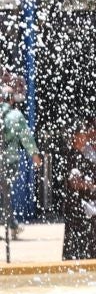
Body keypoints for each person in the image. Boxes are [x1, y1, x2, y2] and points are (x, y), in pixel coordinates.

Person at [60, 115, 96, 260]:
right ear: (75, 137)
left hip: (91, 205)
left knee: (95, 241)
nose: (86, 136)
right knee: (81, 245)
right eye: (83, 135)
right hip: (81, 208)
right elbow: (74, 183)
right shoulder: (74, 156)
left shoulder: (83, 154)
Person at [2, 77, 39, 248]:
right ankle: (12, 224)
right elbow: (26, 137)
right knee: (6, 193)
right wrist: (35, 155)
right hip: (9, 161)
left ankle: (11, 223)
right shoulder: (16, 115)